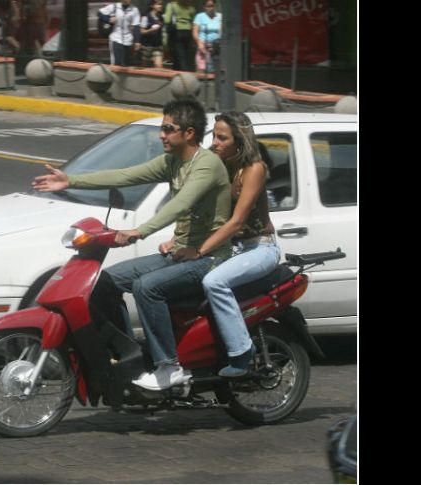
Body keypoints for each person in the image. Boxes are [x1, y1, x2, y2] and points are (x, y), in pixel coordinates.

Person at [32, 98, 231, 391]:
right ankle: (131, 357)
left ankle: (169, 366)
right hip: (180, 254)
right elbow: (126, 175)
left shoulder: (206, 165)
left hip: (209, 257)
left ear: (189, 133)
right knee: (105, 281)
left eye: (168, 129)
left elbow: (180, 204)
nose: (161, 135)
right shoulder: (173, 162)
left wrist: (139, 231)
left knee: (147, 287)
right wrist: (71, 180)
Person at [174, 112, 280, 377]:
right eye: (213, 136)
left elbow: (236, 221)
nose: (215, 142)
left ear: (239, 142)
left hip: (259, 248)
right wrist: (175, 241)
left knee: (214, 282)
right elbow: (198, 209)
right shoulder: (218, 165)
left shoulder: (254, 169)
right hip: (232, 249)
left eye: (222, 138)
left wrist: (199, 250)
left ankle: (242, 351)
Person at [98, 0, 141, 67]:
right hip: (116, 38)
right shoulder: (114, 7)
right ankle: (114, 76)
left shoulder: (134, 10)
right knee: (116, 64)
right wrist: (108, 19)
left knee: (126, 64)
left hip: (128, 40)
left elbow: (136, 26)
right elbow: (100, 13)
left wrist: (137, 41)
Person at [163, 0, 195, 71]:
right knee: (186, 55)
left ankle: (184, 74)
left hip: (177, 32)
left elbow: (167, 20)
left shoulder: (171, 5)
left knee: (179, 56)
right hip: (188, 32)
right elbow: (193, 21)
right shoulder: (191, 7)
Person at [192, 0, 221, 75]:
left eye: (212, 6)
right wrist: (199, 43)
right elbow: (195, 32)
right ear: (204, 7)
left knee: (215, 71)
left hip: (216, 47)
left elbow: (222, 31)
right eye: (208, 6)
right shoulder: (199, 16)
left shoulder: (220, 16)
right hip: (203, 46)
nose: (211, 8)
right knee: (202, 71)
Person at [138, 0, 164, 68]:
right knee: (144, 66)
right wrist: (151, 30)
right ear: (152, 6)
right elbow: (142, 31)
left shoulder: (161, 18)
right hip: (147, 46)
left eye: (161, 4)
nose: (161, 6)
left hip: (157, 46)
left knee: (159, 66)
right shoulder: (146, 17)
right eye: (158, 4)